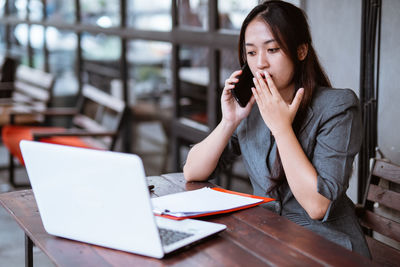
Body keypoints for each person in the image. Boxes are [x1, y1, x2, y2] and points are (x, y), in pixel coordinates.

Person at [183, 0, 371, 258]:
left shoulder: (338, 107)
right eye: (251, 53)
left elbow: (317, 206)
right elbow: (192, 172)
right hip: (267, 238)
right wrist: (230, 121)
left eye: (272, 49)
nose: (260, 63)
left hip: (328, 247)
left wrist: (282, 128)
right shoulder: (252, 106)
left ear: (301, 51)